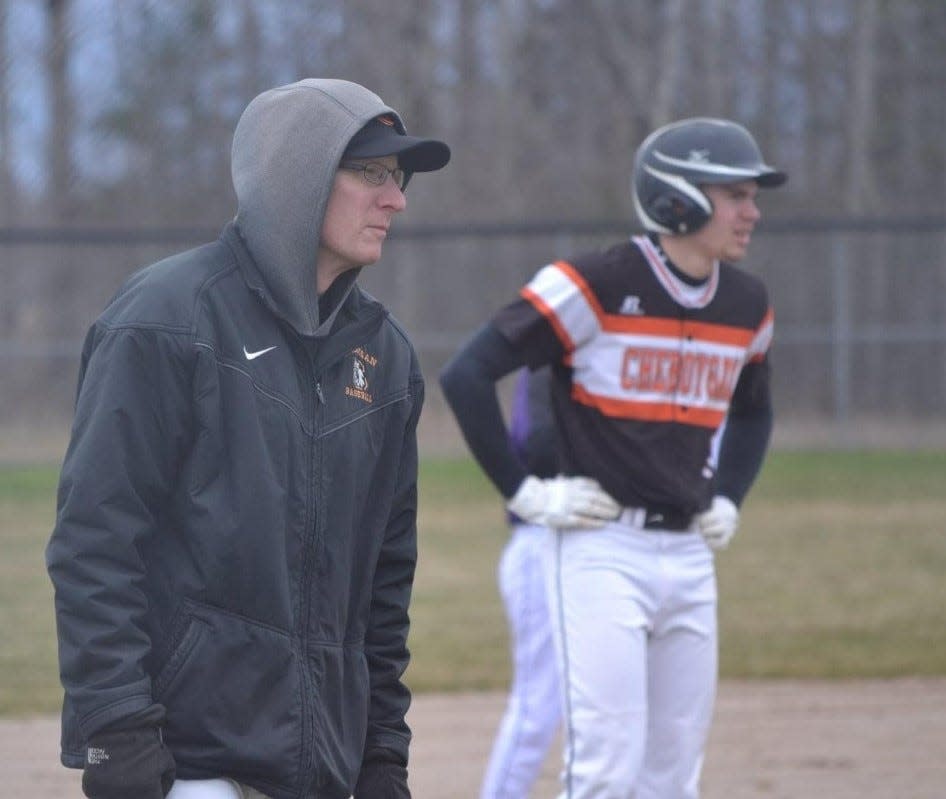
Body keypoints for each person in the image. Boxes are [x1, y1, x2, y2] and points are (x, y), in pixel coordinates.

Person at [45, 78, 450, 799]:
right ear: (298, 176)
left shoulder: (387, 360)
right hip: (188, 765)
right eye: (371, 173)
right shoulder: (167, 318)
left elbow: (384, 588)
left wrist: (383, 755)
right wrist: (118, 732)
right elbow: (95, 543)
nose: (396, 199)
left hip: (327, 769)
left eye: (398, 177)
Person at [440, 117, 785, 798]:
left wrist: (729, 496)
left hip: (689, 554)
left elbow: (754, 408)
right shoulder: (593, 281)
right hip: (601, 548)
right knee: (605, 767)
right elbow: (467, 374)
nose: (753, 211)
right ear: (677, 198)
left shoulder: (747, 303)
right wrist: (526, 493)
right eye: (736, 194)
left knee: (673, 774)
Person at [480, 367, 561, 799]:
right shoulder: (552, 350)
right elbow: (538, 444)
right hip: (541, 540)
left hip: (594, 546)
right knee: (537, 710)